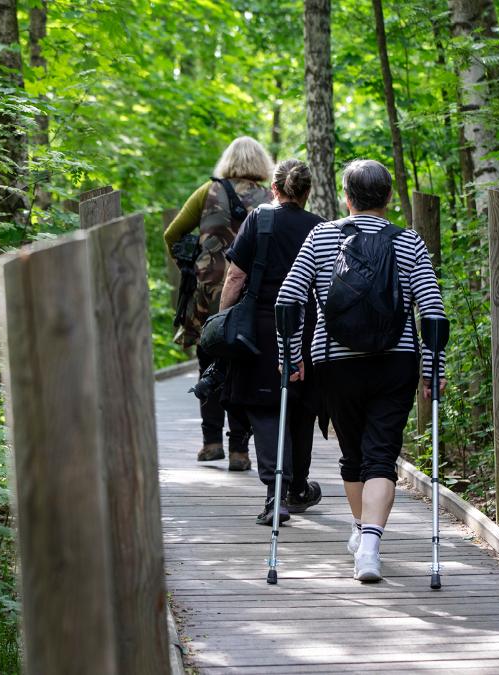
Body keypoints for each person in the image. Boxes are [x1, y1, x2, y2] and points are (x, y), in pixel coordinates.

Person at [275, 159, 447, 582]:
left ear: (346, 198)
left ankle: (364, 535)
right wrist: (432, 367)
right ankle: (368, 540)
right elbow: (434, 313)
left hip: (334, 364)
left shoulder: (322, 236)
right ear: (389, 198)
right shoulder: (409, 242)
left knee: (353, 456)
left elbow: (288, 301)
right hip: (396, 361)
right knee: (382, 456)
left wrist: (290, 356)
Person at [219, 159, 324, 525]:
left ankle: (276, 494)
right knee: (300, 409)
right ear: (307, 192)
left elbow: (235, 276)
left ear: (274, 189)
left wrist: (223, 320)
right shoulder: (321, 228)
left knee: (266, 410)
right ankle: (294, 488)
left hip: (262, 328)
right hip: (307, 328)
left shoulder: (260, 219)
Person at [164, 137, 274, 471]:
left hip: (210, 293)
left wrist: (191, 262)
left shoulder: (207, 192)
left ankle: (211, 443)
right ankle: (240, 450)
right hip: (253, 294)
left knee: (209, 361)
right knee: (243, 366)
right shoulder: (272, 197)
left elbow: (172, 233)